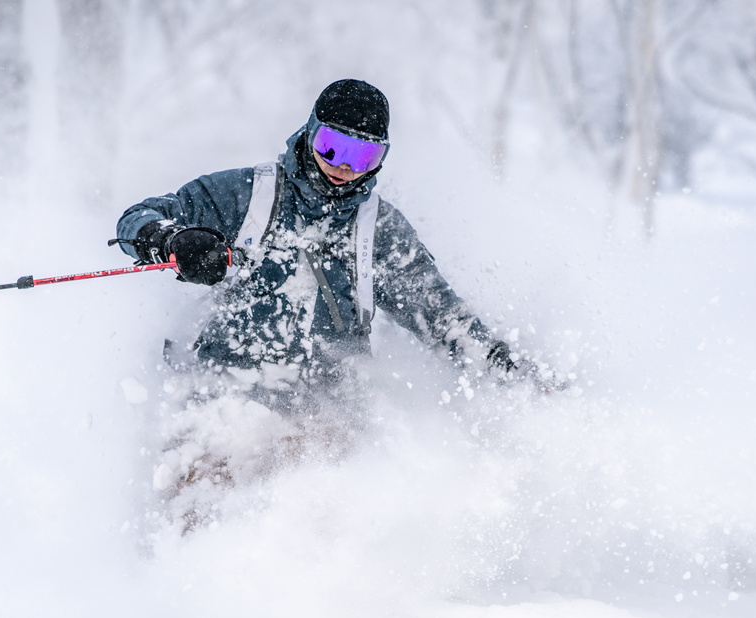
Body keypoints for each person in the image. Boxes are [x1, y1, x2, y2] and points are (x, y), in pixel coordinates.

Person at [115, 79, 554, 525]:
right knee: (202, 483)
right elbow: (138, 219)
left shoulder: (378, 232)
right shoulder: (246, 195)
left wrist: (509, 368)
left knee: (330, 498)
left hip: (326, 413)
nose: (344, 167)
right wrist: (174, 240)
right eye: (332, 148)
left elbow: (442, 318)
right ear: (310, 134)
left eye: (363, 156)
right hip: (225, 398)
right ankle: (186, 571)